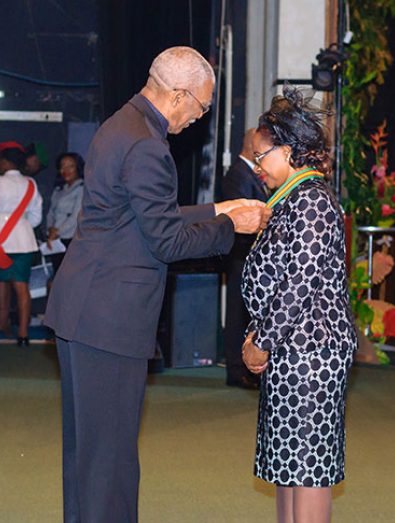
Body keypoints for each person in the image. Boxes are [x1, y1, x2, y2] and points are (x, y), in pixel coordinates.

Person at [43, 46, 270, 523]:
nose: (199, 118)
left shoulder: (121, 124)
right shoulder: (149, 144)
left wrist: (217, 210)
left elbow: (142, 218)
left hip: (82, 307)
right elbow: (165, 240)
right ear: (180, 95)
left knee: (88, 457)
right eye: (202, 107)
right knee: (112, 462)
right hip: (109, 317)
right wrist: (233, 229)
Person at [241, 88, 357, 523]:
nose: (257, 167)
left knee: (307, 468)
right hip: (292, 348)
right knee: (288, 466)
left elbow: (298, 282)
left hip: (311, 350)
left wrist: (262, 341)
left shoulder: (310, 200)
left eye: (261, 156)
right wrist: (260, 336)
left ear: (288, 151)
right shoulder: (293, 197)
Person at [0, 141, 43, 346]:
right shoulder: (31, 184)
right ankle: (23, 334)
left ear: (5, 162)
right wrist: (21, 224)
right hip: (23, 242)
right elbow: (36, 218)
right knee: (22, 287)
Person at [222, 128, 269, 389]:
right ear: (252, 144)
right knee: (237, 312)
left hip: (251, 254)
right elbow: (237, 216)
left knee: (246, 312)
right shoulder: (237, 174)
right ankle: (236, 369)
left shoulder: (251, 173)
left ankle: (246, 369)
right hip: (241, 253)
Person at [45, 152, 85, 274]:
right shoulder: (58, 190)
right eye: (63, 166)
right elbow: (51, 213)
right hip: (56, 241)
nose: (65, 170)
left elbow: (75, 217)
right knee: (56, 275)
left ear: (77, 168)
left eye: (70, 166)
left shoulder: (82, 188)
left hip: (72, 240)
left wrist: (58, 232)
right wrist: (50, 230)